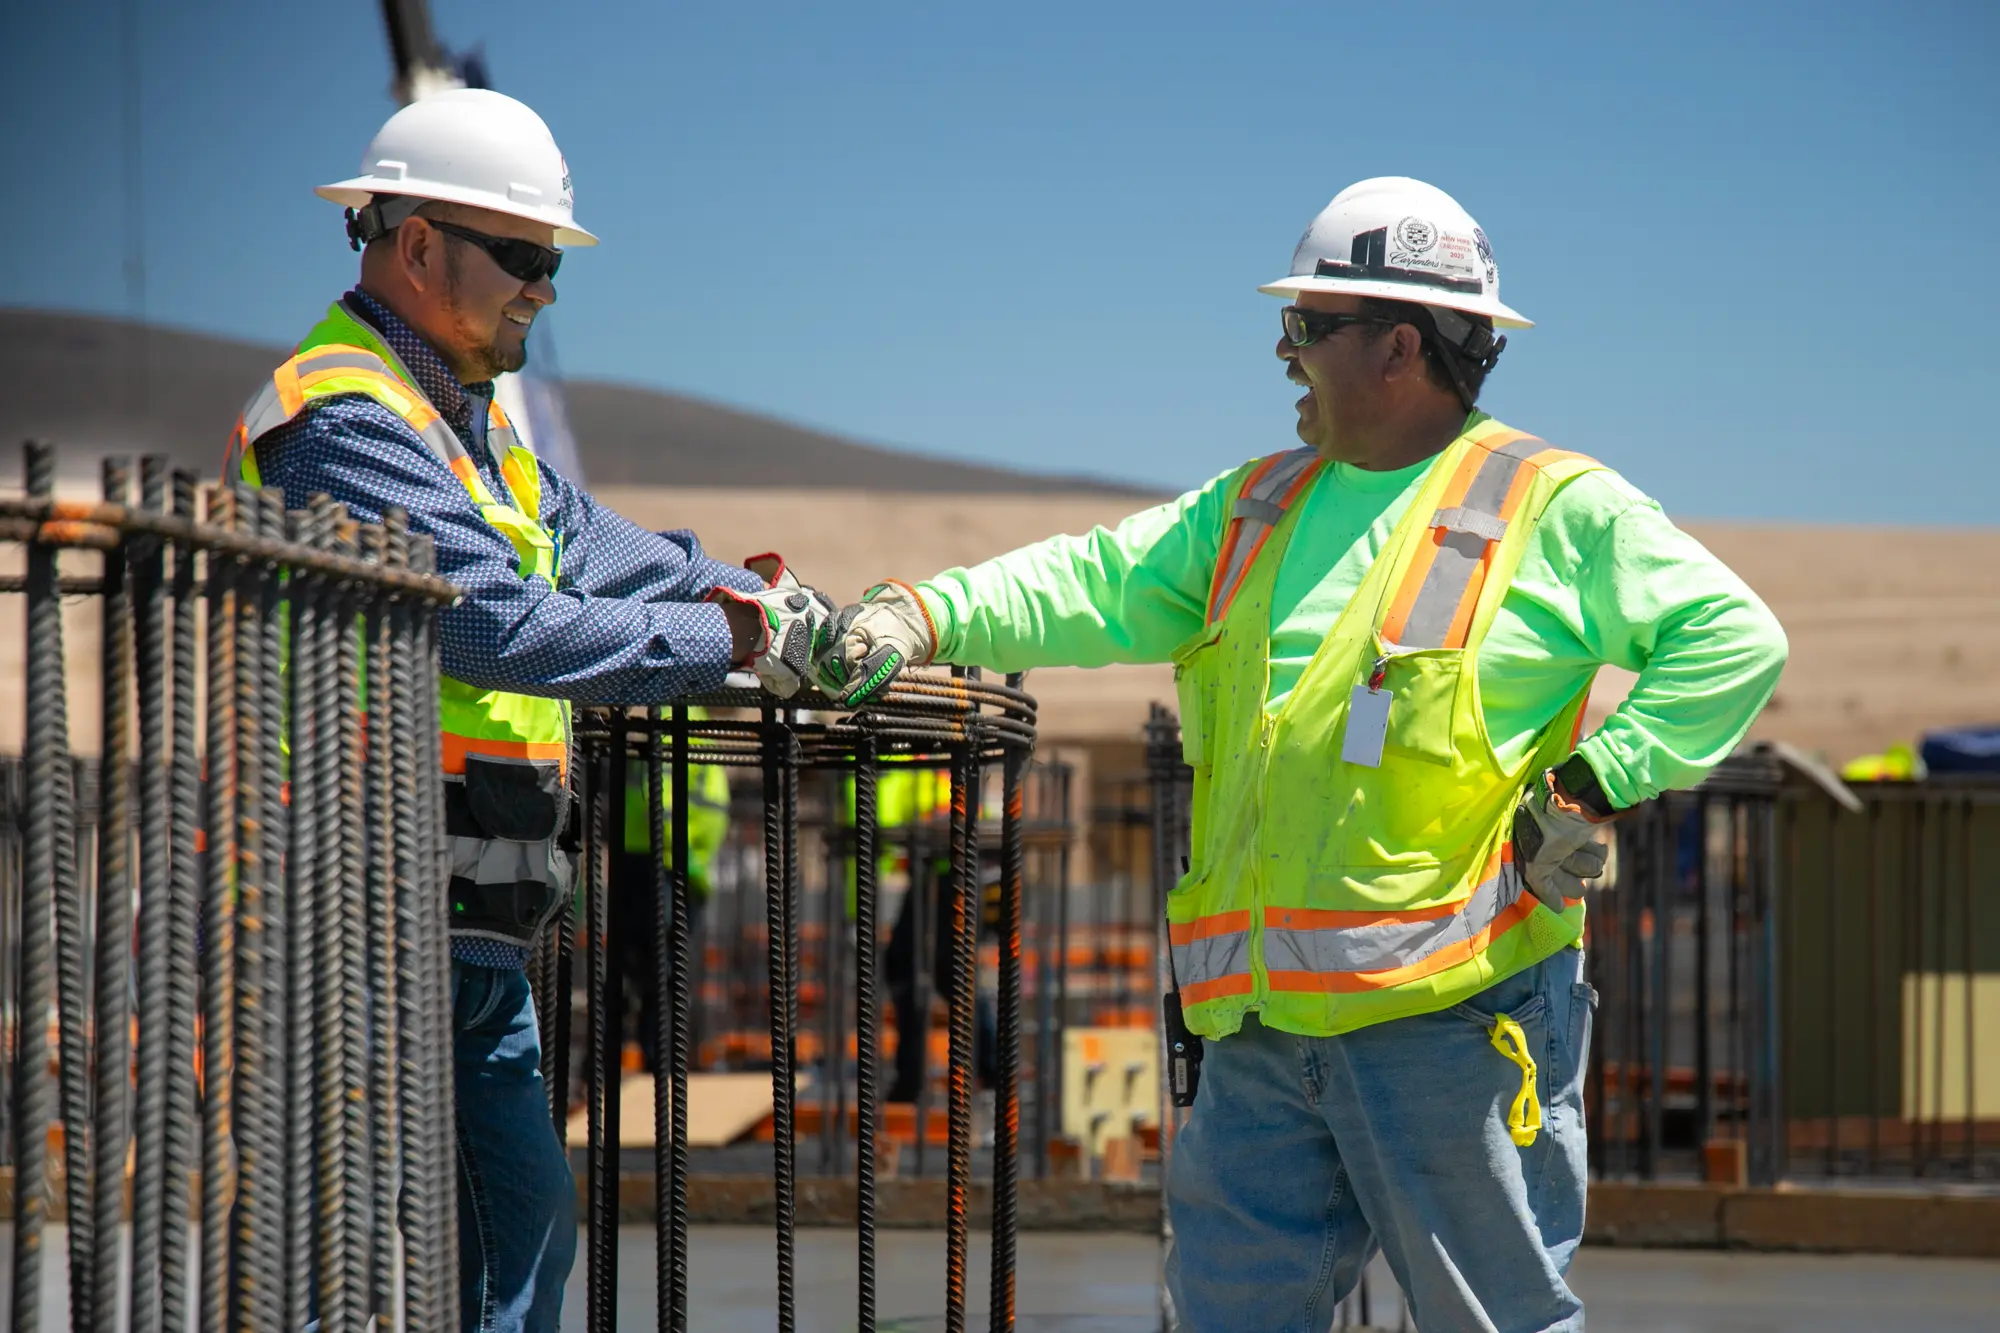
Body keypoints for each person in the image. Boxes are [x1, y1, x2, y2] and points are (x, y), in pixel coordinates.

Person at [818, 177, 1788, 1330]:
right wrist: (919, 614)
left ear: (1396, 344)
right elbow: (1086, 580)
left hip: (1452, 1025)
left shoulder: (1552, 507)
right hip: (1259, 1035)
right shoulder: (1253, 507)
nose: (1282, 352)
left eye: (1306, 327)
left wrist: (1600, 776)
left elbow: (1732, 638)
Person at [224, 88, 835, 1333]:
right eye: (523, 256)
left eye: (549, 262)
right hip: (360, 923)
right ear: (414, 246)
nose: (544, 288)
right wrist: (730, 640)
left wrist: (758, 590)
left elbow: (605, 549)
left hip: (467, 925)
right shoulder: (343, 422)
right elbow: (494, 623)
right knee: (388, 1267)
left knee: (507, 1253)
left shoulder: (475, 431)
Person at [611, 713, 733, 1072]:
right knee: (657, 967)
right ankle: (652, 1060)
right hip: (663, 861)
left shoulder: (676, 714)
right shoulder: (679, 716)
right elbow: (664, 799)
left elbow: (664, 797)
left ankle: (638, 1060)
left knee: (647, 965)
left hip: (665, 861)